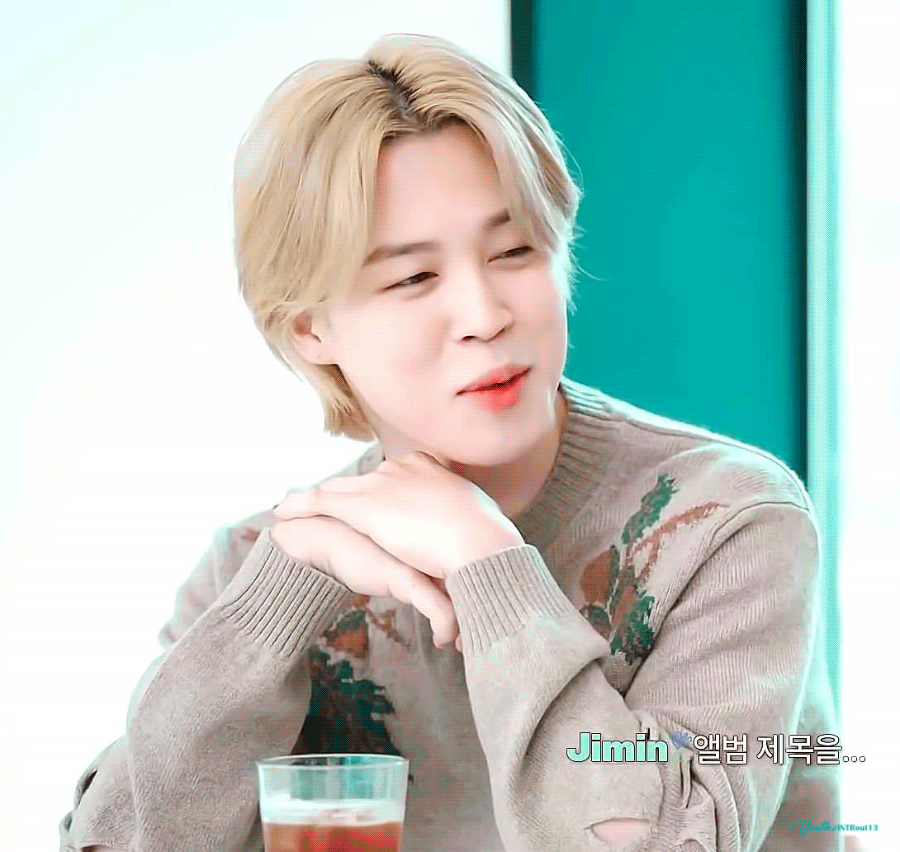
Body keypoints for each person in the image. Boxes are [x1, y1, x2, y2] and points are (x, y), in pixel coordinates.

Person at [59, 32, 841, 852]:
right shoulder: (258, 567)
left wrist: (490, 568)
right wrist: (273, 607)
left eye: (515, 251)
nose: (485, 314)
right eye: (414, 278)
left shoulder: (726, 522)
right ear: (310, 328)